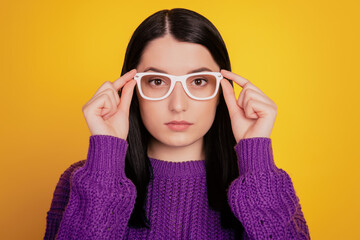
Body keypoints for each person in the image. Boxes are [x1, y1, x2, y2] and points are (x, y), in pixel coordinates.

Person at [44, 8, 310, 240]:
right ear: (132, 89)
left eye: (198, 81)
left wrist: (256, 159)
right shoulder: (84, 179)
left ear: (222, 91)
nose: (178, 104)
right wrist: (104, 160)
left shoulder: (263, 183)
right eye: (157, 82)